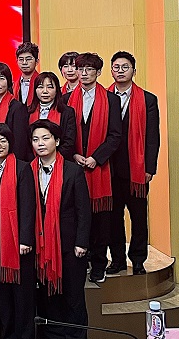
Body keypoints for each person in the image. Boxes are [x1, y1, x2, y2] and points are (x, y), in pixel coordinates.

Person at [31, 120, 91, 339]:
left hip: (69, 246)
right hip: (41, 247)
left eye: (45, 138)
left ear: (56, 141)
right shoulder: (28, 170)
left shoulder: (73, 171)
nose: (40, 143)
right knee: (48, 298)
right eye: (35, 139)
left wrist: (81, 242)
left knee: (73, 298)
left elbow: (83, 210)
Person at [66, 53, 122, 283]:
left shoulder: (111, 100)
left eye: (89, 69)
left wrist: (96, 159)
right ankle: (80, 263)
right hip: (74, 166)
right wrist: (74, 155)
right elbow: (64, 134)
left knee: (101, 221)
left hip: (100, 169)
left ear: (98, 72)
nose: (84, 73)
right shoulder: (66, 99)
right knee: (77, 217)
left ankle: (99, 264)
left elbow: (115, 136)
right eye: (81, 69)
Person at [106, 51, 160, 276]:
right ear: (111, 71)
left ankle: (138, 260)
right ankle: (117, 260)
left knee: (138, 218)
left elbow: (152, 136)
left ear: (134, 71)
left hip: (137, 169)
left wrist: (149, 168)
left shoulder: (148, 99)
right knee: (113, 218)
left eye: (125, 67)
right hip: (108, 169)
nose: (120, 71)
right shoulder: (103, 96)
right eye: (116, 67)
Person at [0, 124, 36, 339]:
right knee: (1, 294)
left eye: (3, 140)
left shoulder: (22, 168)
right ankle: (6, 334)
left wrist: (25, 239)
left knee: (22, 296)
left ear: (10, 143)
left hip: (17, 242)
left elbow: (28, 207)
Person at [0, 62, 32, 162]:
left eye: (1, 79)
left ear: (9, 81)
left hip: (11, 160)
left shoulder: (17, 107)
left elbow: (20, 142)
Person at [28, 72, 78, 159]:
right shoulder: (27, 111)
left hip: (60, 159)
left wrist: (51, 158)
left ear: (57, 90)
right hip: (32, 160)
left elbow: (69, 142)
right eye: (40, 87)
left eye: (50, 87)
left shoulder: (67, 112)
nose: (45, 91)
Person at [16, 42, 40, 107]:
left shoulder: (42, 83)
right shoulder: (13, 86)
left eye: (28, 59)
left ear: (37, 61)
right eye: (21, 59)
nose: (24, 63)